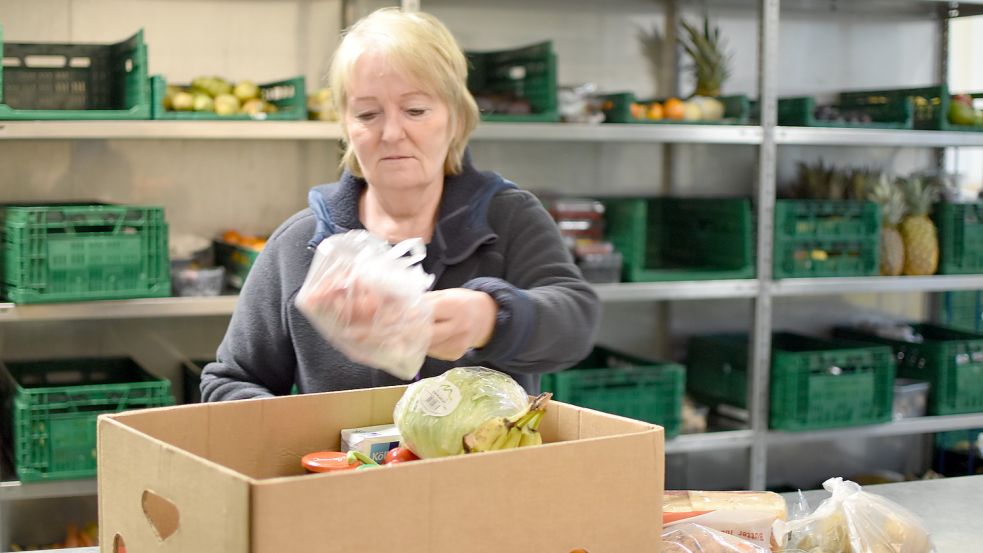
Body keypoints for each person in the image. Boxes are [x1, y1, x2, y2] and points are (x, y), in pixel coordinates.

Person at [200, 7, 600, 401]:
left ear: (457, 118)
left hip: (478, 466)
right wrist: (291, 437)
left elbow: (576, 323)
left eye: (415, 110)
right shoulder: (301, 244)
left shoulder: (508, 218)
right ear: (345, 125)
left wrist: (493, 318)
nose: (391, 133)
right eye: (368, 113)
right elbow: (229, 379)